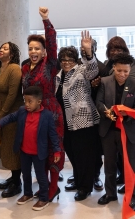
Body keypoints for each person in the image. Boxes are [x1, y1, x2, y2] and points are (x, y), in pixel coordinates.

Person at [0, 86, 60, 211]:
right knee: (26, 174)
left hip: (39, 152)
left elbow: (53, 135)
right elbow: (10, 117)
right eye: (25, 101)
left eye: (30, 101)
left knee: (41, 176)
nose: (27, 104)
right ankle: (27, 193)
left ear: (39, 102)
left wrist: (57, 150)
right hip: (24, 151)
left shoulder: (47, 116)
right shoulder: (22, 111)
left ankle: (44, 198)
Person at [21, 7, 65, 201]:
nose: (33, 51)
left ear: (44, 51)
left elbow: (53, 41)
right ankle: (44, 187)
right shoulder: (24, 67)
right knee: (40, 151)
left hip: (51, 112)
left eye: (37, 48)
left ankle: (53, 188)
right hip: (33, 114)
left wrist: (46, 20)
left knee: (53, 151)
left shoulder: (50, 64)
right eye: (30, 48)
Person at [55, 31, 100, 201]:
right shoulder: (58, 76)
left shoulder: (81, 70)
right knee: (72, 154)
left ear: (75, 60)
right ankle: (79, 180)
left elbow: (92, 70)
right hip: (65, 123)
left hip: (83, 121)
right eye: (64, 60)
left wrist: (88, 52)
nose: (66, 63)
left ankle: (85, 187)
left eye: (70, 59)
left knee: (84, 156)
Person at [66, 39, 107, 191]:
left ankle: (95, 176)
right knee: (77, 151)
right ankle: (80, 176)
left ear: (94, 49)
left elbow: (93, 72)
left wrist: (95, 85)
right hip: (74, 115)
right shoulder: (73, 65)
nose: (85, 51)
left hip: (94, 113)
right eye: (82, 49)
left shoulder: (99, 65)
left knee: (95, 151)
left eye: (88, 48)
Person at [96, 53, 135, 207]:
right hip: (109, 130)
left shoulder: (133, 83)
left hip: (128, 131)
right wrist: (105, 111)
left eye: (125, 71)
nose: (122, 74)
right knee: (110, 165)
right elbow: (98, 101)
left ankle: (132, 194)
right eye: (119, 71)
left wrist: (129, 114)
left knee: (131, 165)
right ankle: (110, 193)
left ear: (130, 69)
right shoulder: (105, 82)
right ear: (114, 68)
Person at [0, 42, 24, 198]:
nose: (1, 50)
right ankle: (13, 177)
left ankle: (17, 183)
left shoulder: (14, 69)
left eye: (5, 48)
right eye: (1, 47)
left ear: (11, 54)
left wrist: (1, 115)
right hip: (1, 115)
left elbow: (12, 95)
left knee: (12, 148)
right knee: (3, 146)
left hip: (13, 115)